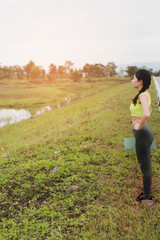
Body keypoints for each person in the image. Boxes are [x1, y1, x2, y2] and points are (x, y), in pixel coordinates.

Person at [130, 69, 154, 206]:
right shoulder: (144, 94)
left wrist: (139, 127)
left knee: (145, 168)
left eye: (134, 78)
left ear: (140, 82)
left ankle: (147, 199)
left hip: (142, 134)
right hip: (144, 133)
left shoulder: (143, 96)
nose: (132, 81)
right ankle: (146, 194)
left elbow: (146, 114)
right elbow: (149, 109)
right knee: (145, 166)